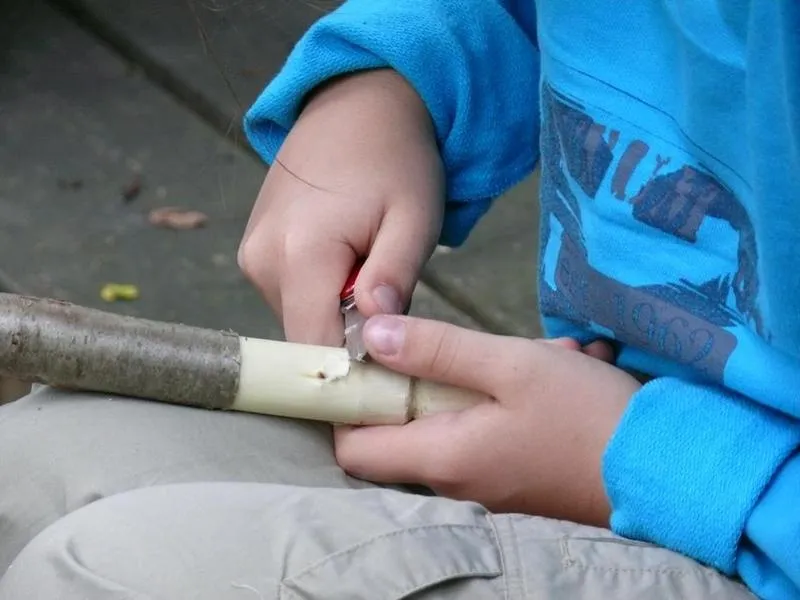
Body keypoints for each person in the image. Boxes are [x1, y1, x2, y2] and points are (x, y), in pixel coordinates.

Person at [0, 1, 797, 598]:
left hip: (735, 523)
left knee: (114, 575)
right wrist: (396, 81)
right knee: (25, 465)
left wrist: (653, 464)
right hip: (615, 443)